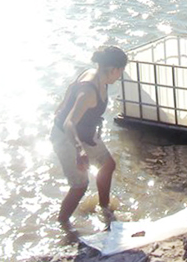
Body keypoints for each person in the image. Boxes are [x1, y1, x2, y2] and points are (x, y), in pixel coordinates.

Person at [50, 46, 128, 229]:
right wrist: (80, 151)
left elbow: (71, 87)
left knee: (108, 165)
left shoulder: (99, 76)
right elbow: (69, 123)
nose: (120, 76)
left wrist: (62, 104)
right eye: (121, 72)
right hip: (66, 136)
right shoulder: (89, 91)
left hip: (86, 132)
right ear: (114, 69)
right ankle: (63, 225)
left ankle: (104, 208)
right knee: (80, 185)